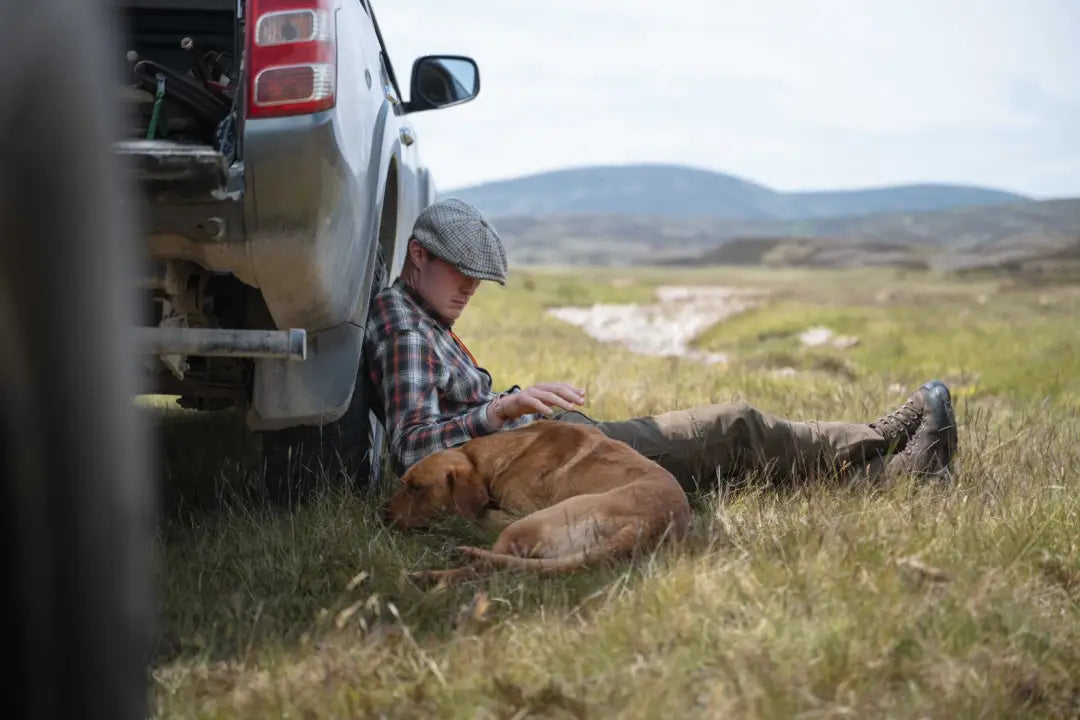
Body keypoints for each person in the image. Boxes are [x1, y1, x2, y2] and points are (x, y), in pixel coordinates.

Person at [363, 199, 958, 493]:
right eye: (460, 272)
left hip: (539, 452)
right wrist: (500, 409)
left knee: (720, 453)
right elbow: (411, 450)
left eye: (478, 278)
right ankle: (885, 455)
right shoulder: (407, 329)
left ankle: (881, 462)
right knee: (732, 428)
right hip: (532, 463)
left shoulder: (420, 314)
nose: (469, 288)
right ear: (419, 255)